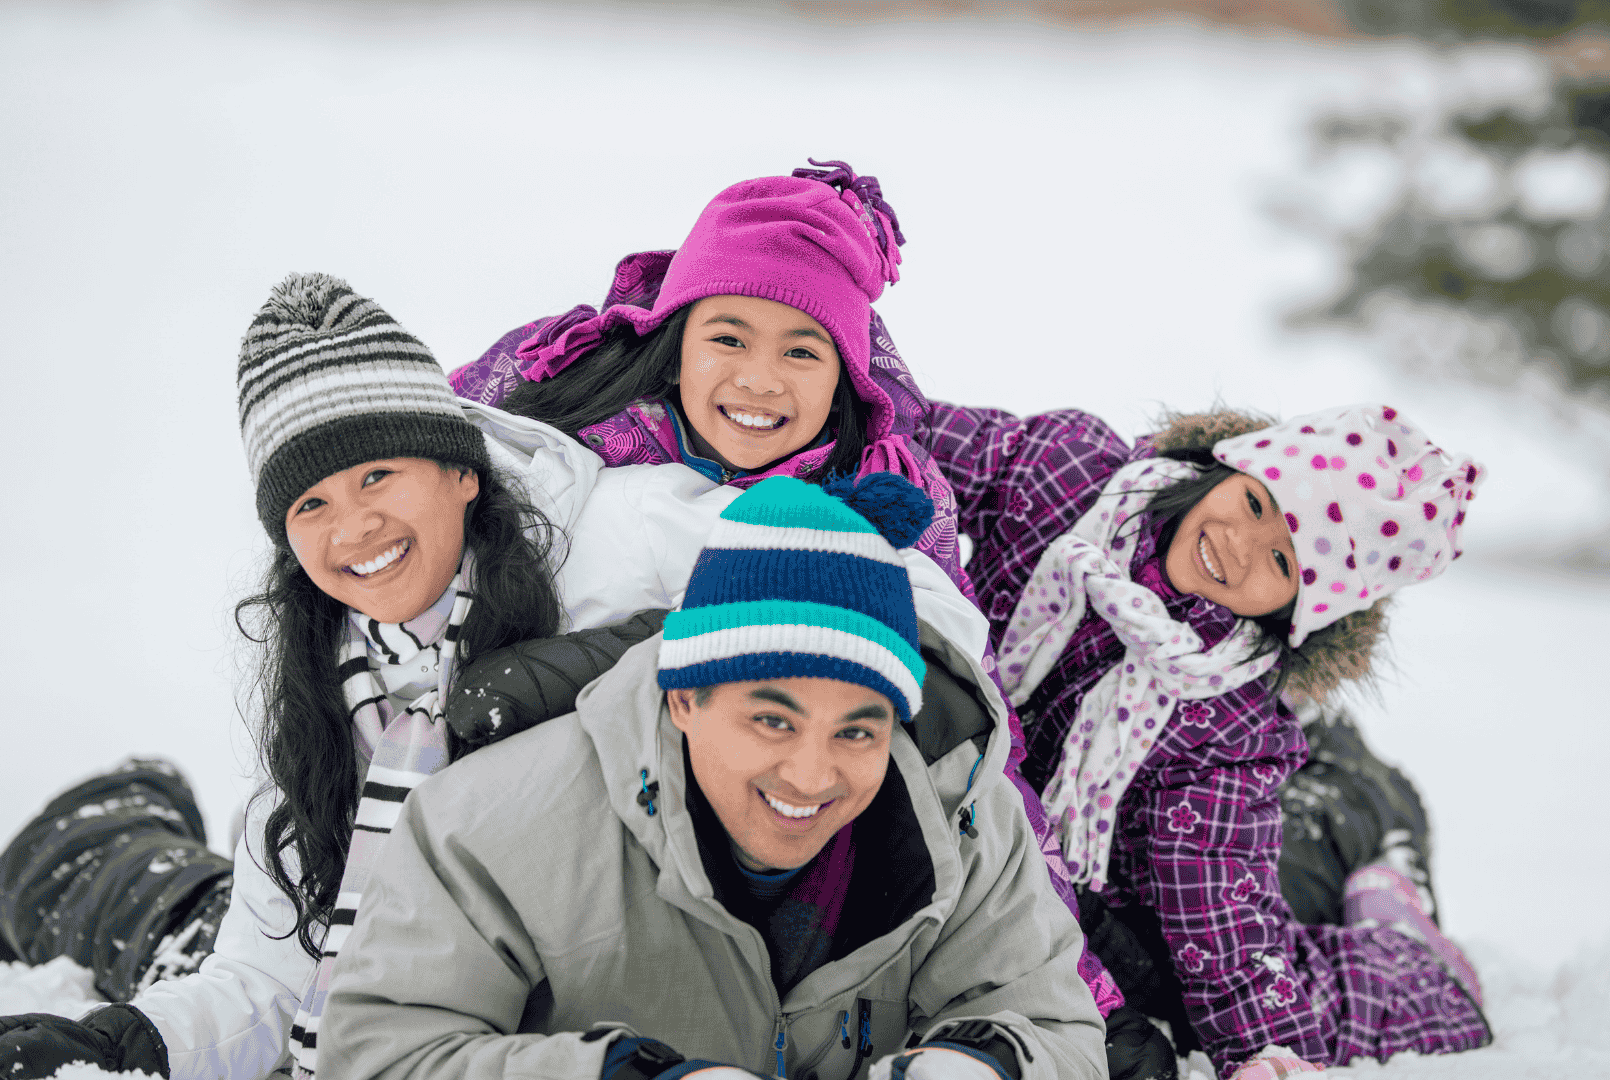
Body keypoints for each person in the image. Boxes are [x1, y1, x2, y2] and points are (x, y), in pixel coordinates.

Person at [0, 274, 1013, 1080]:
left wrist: (589, 665)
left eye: (379, 476)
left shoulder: (609, 535)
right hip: (399, 994)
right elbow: (270, 984)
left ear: (459, 469)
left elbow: (887, 587)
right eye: (310, 506)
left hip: (544, 1003)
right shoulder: (335, 680)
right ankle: (81, 841)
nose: (352, 530)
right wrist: (127, 1042)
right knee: (183, 926)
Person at [448, 158, 1123, 1021]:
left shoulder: (883, 501)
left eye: (802, 351)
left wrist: (1084, 997)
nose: (761, 381)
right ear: (676, 341)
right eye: (729, 337)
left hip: (802, 856)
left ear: (843, 376)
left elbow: (966, 729)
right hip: (583, 852)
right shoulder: (583, 464)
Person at [317, 474, 1108, 1080]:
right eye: (772, 720)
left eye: (857, 730)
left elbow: (1053, 1028)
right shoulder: (484, 825)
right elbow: (381, 1055)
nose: (810, 773)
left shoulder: (966, 821)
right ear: (686, 698)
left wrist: (979, 1065)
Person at [914, 402, 1492, 1078]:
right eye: (1254, 503)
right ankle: (1334, 751)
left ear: (1299, 609)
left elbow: (1215, 907)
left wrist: (1262, 1049)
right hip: (1012, 828)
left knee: (1281, 923)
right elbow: (897, 431)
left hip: (1124, 905)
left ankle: (1397, 924)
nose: (1238, 545)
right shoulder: (1066, 475)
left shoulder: (1231, 725)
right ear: (1227, 464)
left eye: (1281, 558)